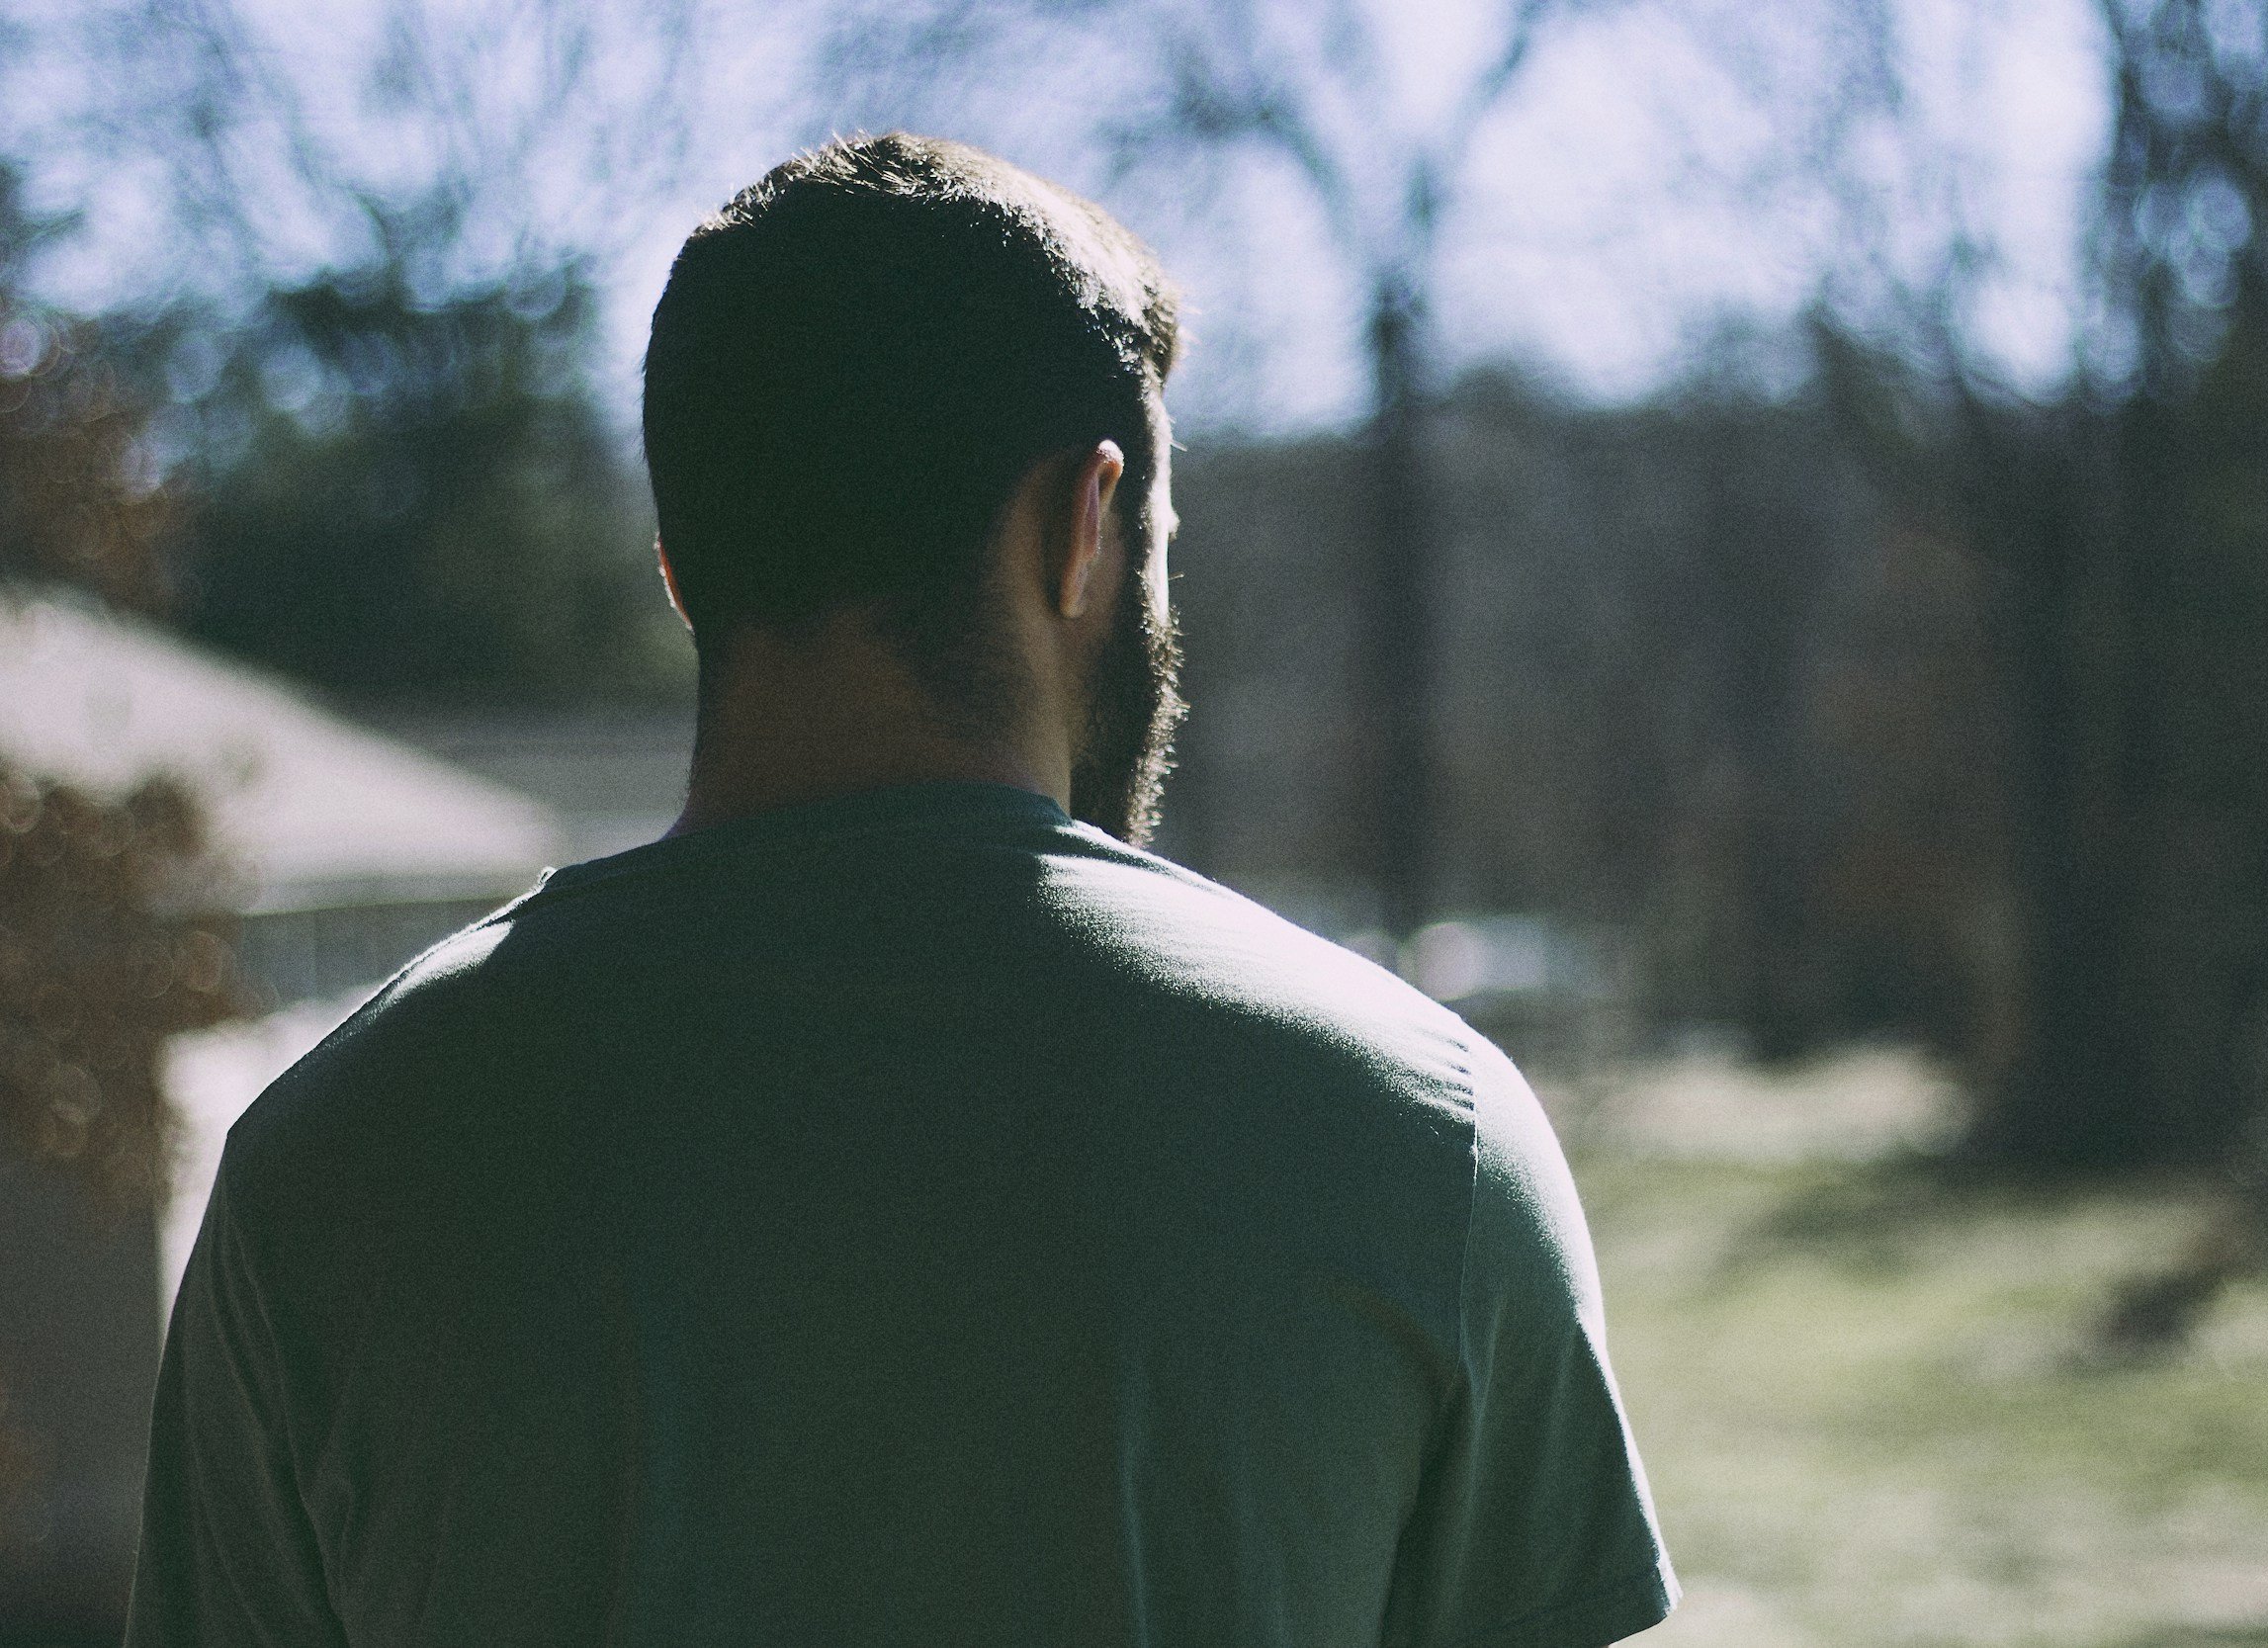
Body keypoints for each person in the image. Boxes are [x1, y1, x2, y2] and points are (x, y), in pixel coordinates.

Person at [124, 133, 1677, 1647]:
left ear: (683, 564)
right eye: (1157, 545)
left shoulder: (330, 1164)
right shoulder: (1418, 1134)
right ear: (1084, 527)